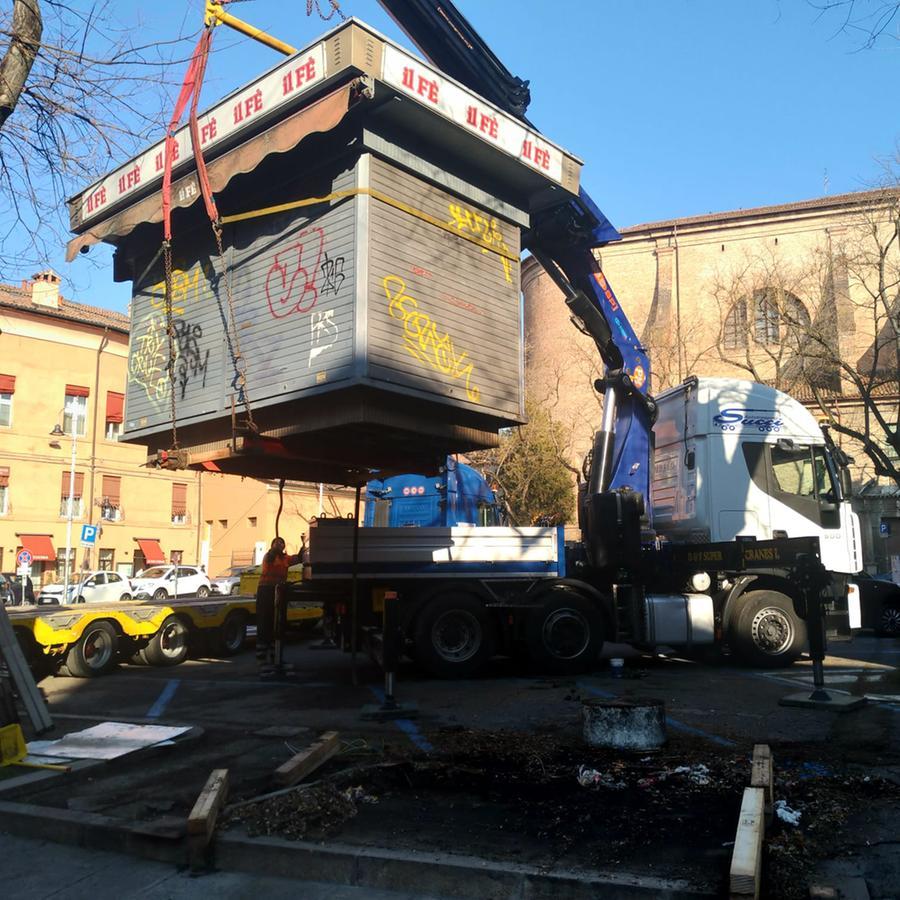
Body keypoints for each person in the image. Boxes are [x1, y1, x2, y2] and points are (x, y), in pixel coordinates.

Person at [255, 537, 298, 673]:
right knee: (265, 624)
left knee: (277, 624)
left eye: (282, 543)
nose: (280, 545)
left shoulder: (285, 558)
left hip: (278, 591)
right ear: (273, 545)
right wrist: (276, 552)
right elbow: (271, 564)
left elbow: (297, 559)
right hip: (266, 591)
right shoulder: (269, 556)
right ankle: (262, 660)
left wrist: (304, 548)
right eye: (277, 543)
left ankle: (276, 657)